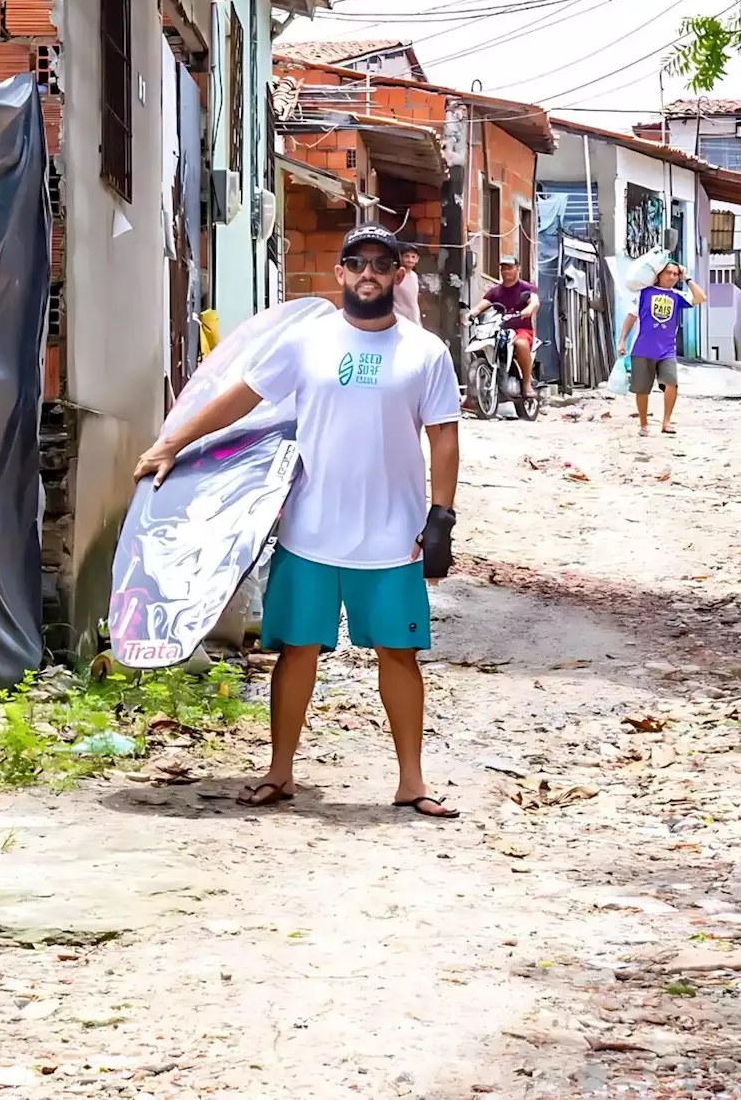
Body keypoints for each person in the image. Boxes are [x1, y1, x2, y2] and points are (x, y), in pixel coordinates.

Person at [133, 223, 462, 819]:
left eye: (381, 265)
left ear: (397, 275)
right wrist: (173, 442)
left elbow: (443, 436)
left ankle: (412, 782)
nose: (369, 274)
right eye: (357, 263)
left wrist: (441, 518)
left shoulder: (425, 352)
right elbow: (242, 397)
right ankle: (280, 772)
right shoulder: (307, 344)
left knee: (399, 655)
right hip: (309, 531)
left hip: (393, 537)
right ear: (339, 273)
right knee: (296, 653)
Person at [617, 261, 707, 436]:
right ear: (658, 274)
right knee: (642, 389)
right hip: (642, 348)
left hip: (667, 350)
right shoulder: (643, 294)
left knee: (672, 384)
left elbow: (701, 297)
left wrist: (686, 277)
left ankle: (666, 422)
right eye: (668, 273)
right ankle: (643, 423)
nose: (672, 277)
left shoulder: (676, 296)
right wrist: (622, 341)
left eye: (675, 274)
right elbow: (630, 317)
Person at [469, 255, 540, 399]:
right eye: (503, 268)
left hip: (521, 329)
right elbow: (483, 304)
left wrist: (529, 309)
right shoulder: (495, 291)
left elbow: (535, 301)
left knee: (521, 344)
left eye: (510, 268)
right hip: (499, 328)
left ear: (517, 269)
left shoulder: (526, 287)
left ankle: (527, 383)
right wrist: (471, 313)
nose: (506, 271)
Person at [395, 244, 423, 326]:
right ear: (401, 258)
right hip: (398, 318)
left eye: (413, 257)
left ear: (417, 259)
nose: (410, 260)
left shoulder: (414, 276)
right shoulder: (395, 275)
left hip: (413, 317)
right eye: (406, 256)